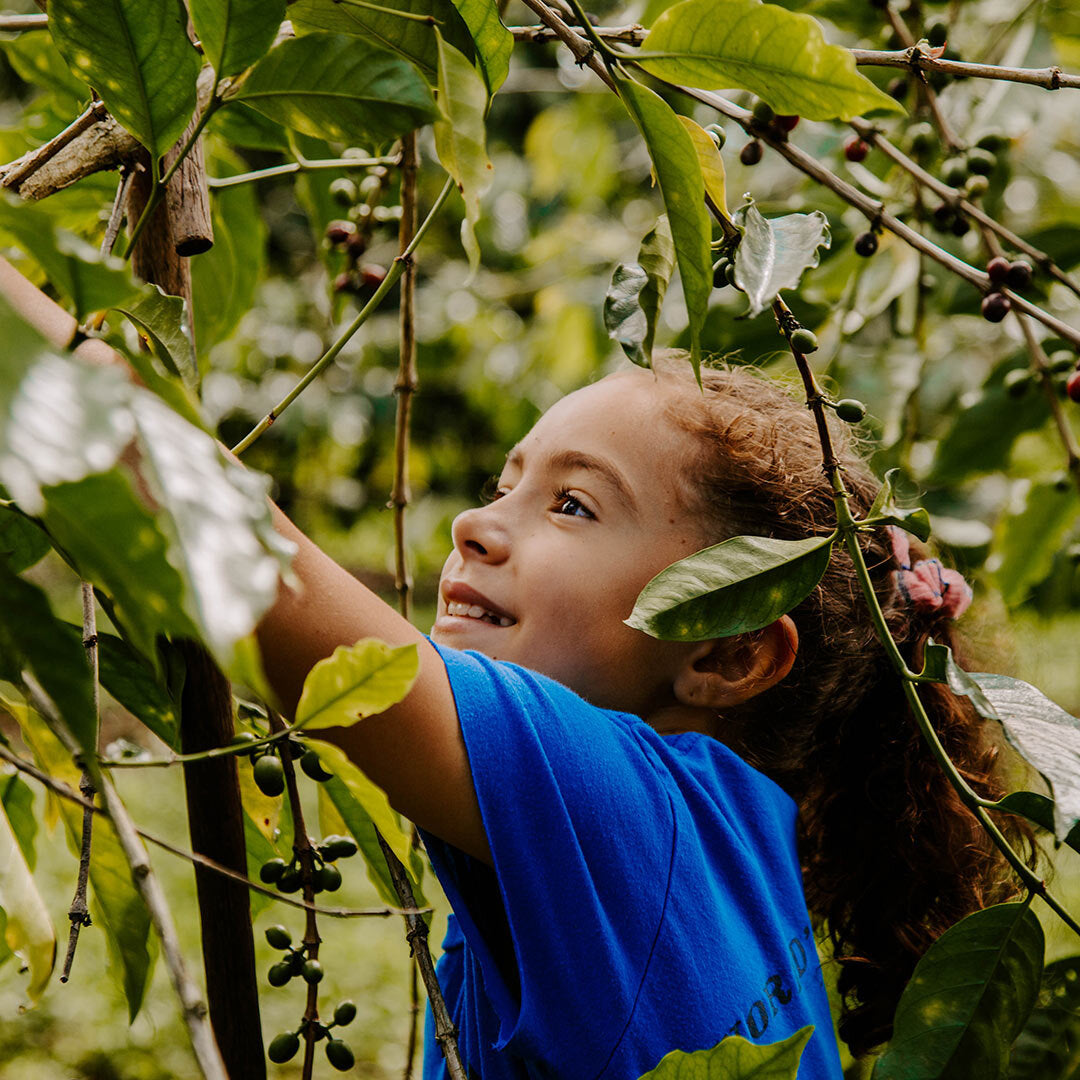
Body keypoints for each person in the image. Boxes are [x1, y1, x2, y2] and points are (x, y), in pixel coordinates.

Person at [0, 255, 1030, 1078]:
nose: (474, 525)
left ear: (727, 649)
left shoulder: (623, 810)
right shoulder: (734, 839)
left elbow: (238, 551)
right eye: (507, 483)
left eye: (573, 505)